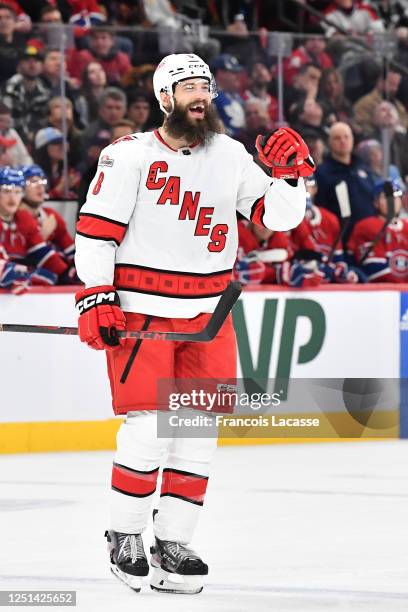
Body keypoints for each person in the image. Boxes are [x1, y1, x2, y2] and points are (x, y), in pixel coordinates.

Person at [74, 53, 310, 595]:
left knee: (197, 434)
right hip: (143, 313)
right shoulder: (127, 157)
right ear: (164, 99)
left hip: (209, 315)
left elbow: (277, 219)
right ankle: (125, 534)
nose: (200, 95)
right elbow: (95, 232)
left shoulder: (228, 155)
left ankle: (174, 540)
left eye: (205, 86)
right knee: (148, 429)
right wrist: (95, 297)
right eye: (187, 88)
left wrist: (291, 177)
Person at [0, 166, 69, 291]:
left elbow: (43, 253)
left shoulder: (23, 218)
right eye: (6, 191)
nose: (12, 198)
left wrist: (68, 274)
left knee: (49, 276)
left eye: (16, 192)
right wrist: (15, 273)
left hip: (16, 285)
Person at [315, 121, 376, 238]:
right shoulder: (322, 173)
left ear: (352, 140)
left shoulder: (363, 168)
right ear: (329, 143)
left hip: (370, 235)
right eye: (337, 138)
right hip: (341, 236)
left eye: (346, 137)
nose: (343, 141)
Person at [347, 179, 408, 281]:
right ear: (376, 202)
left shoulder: (406, 226)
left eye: (396, 195)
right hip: (377, 292)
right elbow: (374, 269)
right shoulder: (367, 226)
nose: (392, 200)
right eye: (386, 197)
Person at [20, 163, 76, 265]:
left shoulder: (50, 215)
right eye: (33, 182)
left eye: (42, 181)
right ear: (20, 188)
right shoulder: (13, 219)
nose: (40, 186)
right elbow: (16, 260)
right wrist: (43, 235)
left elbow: (72, 252)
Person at [2, 44, 50, 147]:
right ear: (19, 66)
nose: (32, 64)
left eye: (36, 61)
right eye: (27, 61)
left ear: (41, 66)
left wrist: (37, 136)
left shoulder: (43, 90)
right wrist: (28, 138)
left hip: (36, 140)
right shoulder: (12, 87)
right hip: (12, 139)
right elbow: (11, 121)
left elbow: (42, 120)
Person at [211, 53, 245, 137]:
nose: (237, 76)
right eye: (233, 72)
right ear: (220, 73)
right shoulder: (211, 97)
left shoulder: (237, 96)